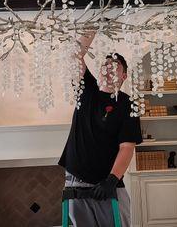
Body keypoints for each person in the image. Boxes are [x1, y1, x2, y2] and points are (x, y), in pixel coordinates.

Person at [58, 30, 142, 227]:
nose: (109, 68)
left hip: (108, 182)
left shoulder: (128, 104)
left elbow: (127, 147)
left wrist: (112, 180)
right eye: (106, 65)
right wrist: (95, 24)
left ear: (124, 75)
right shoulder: (87, 91)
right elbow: (74, 55)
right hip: (76, 179)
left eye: (116, 66)